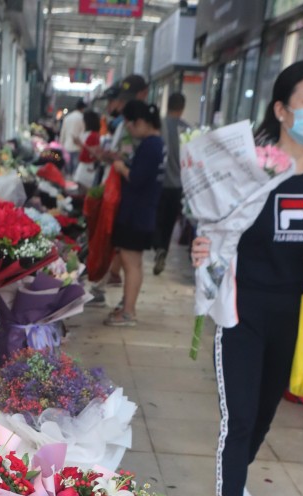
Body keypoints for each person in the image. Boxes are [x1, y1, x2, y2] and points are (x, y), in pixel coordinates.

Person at [191, 60, 303, 496]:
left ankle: (240, 480)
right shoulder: (248, 169)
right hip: (240, 308)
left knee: (263, 413)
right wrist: (203, 252)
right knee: (237, 416)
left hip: (289, 312)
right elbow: (214, 231)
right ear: (281, 110)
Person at [104, 100, 165, 329]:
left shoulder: (150, 145)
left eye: (129, 124)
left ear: (140, 122)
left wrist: (121, 168)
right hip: (144, 213)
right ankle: (128, 308)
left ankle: (128, 313)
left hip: (135, 215)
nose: (128, 128)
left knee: (131, 264)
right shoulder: (158, 144)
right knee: (135, 264)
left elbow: (137, 178)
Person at [89, 75, 150, 304]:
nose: (119, 106)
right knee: (118, 247)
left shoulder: (142, 132)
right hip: (117, 190)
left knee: (127, 255)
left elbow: (134, 165)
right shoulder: (126, 124)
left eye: (125, 101)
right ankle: (107, 287)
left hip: (124, 194)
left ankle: (125, 305)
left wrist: (119, 162)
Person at [153, 92, 188, 276]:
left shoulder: (158, 125)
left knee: (157, 218)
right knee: (168, 222)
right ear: (182, 108)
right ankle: (163, 250)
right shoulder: (187, 130)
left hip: (159, 183)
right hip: (178, 185)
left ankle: (157, 246)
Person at [73, 108, 101, 188]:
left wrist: (81, 144)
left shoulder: (94, 135)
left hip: (88, 165)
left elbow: (95, 151)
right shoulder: (90, 134)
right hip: (84, 164)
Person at [59, 99, 86, 172]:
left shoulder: (67, 117)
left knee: (67, 171)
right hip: (77, 147)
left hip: (67, 146)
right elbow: (83, 133)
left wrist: (61, 145)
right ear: (83, 108)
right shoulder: (82, 118)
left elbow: (63, 132)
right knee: (75, 171)